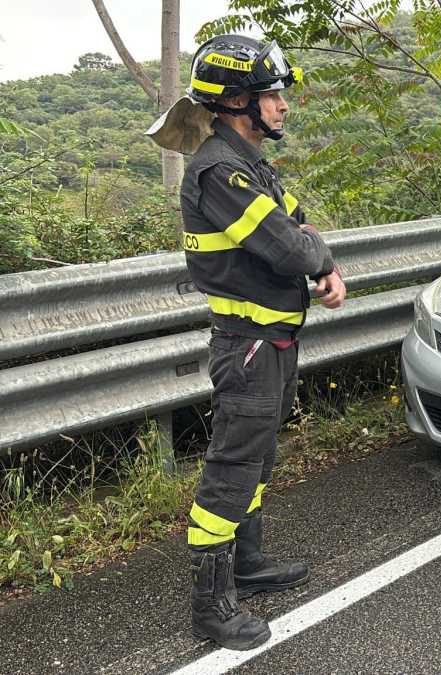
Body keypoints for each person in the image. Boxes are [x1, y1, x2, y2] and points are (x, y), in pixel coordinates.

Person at [155, 35, 345, 650]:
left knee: (257, 461)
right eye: (273, 94)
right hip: (249, 343)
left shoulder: (251, 162)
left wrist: (322, 260)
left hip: (273, 339)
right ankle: (212, 605)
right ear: (237, 99)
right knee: (232, 469)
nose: (283, 105)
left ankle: (247, 562)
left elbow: (302, 221)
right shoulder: (220, 171)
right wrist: (316, 260)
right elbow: (290, 244)